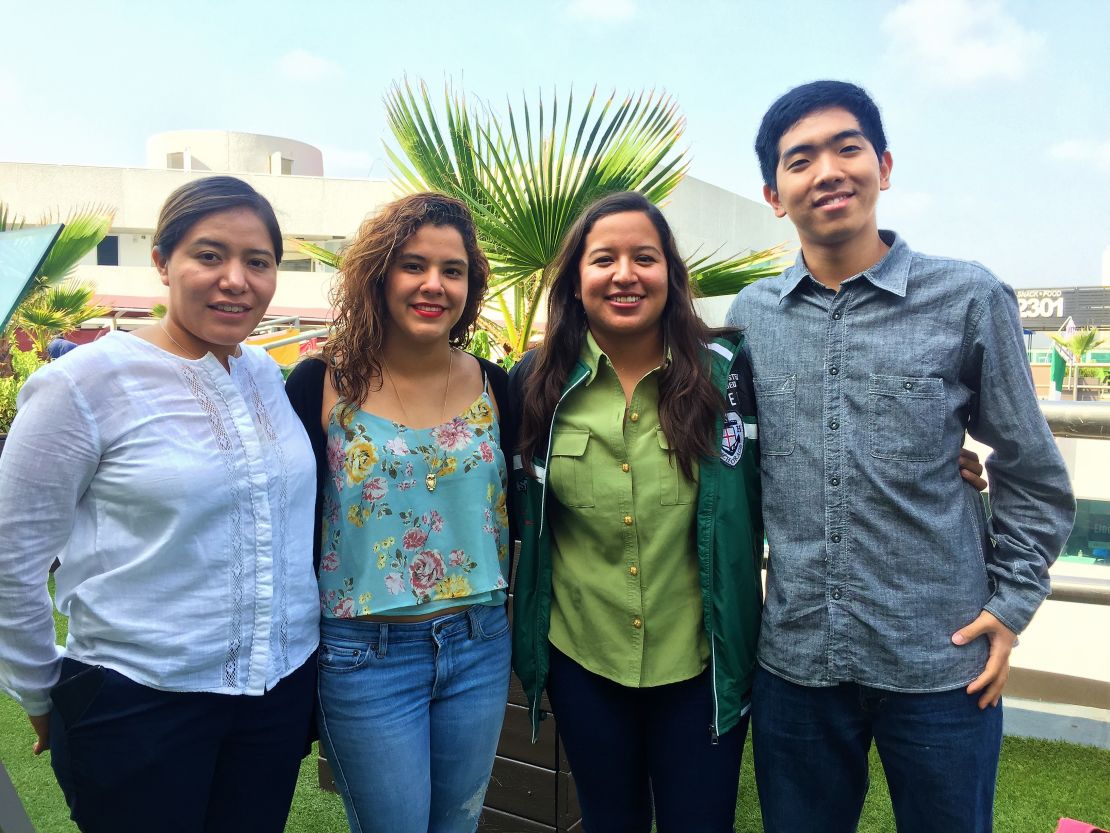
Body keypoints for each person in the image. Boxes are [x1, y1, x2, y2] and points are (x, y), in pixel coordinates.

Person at [725, 80, 1076, 833]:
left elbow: (1033, 469)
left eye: (847, 147)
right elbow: (738, 463)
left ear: (883, 167)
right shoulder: (751, 316)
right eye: (800, 159)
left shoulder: (969, 295)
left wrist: (1010, 607)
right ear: (774, 194)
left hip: (940, 662)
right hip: (797, 662)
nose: (828, 170)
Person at [0, 176, 319, 832]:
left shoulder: (262, 371)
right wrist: (40, 691)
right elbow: (12, 556)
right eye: (209, 255)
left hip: (275, 697)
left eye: (258, 261)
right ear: (162, 261)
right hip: (137, 702)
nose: (236, 278)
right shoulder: (80, 385)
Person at [510, 191, 764, 832]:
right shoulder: (535, 381)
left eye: (644, 258)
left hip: (700, 663)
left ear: (671, 276)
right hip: (584, 660)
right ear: (576, 280)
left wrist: (939, 457)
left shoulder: (729, 375)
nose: (625, 274)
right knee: (609, 822)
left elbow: (801, 466)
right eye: (604, 259)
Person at [285, 192, 513, 833]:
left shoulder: (500, 386)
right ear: (379, 274)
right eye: (413, 265)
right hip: (364, 654)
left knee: (458, 827)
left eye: (453, 270)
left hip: (479, 642)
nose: (433, 285)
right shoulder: (318, 384)